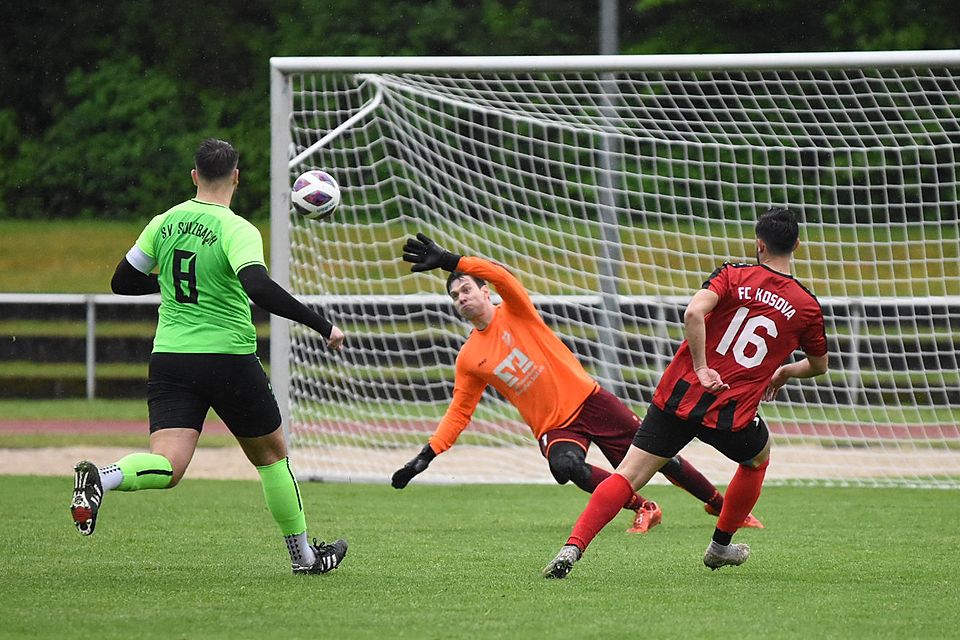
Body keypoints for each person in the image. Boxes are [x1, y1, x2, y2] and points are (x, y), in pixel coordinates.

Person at [70, 139, 348, 575]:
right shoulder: (236, 229)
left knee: (169, 465)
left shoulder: (165, 221)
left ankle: (100, 479)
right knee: (272, 456)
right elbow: (256, 286)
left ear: (194, 176)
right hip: (227, 359)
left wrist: (171, 287)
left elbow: (122, 281)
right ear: (236, 177)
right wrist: (322, 324)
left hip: (171, 358)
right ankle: (304, 558)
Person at [392, 232, 763, 534]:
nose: (462, 298)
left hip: (590, 400)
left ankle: (722, 507)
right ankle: (643, 506)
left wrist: (451, 260)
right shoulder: (470, 358)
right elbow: (460, 411)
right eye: (455, 296)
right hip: (554, 425)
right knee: (565, 467)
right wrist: (426, 455)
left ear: (484, 291)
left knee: (665, 458)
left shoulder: (517, 311)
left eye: (467, 290)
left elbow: (502, 275)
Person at [542, 206, 829, 578]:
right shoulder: (807, 307)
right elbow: (819, 366)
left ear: (759, 244)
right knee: (757, 459)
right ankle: (720, 547)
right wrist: (784, 372)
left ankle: (572, 547)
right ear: (797, 245)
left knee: (627, 476)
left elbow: (694, 313)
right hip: (731, 412)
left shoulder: (731, 274)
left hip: (679, 396)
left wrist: (700, 368)